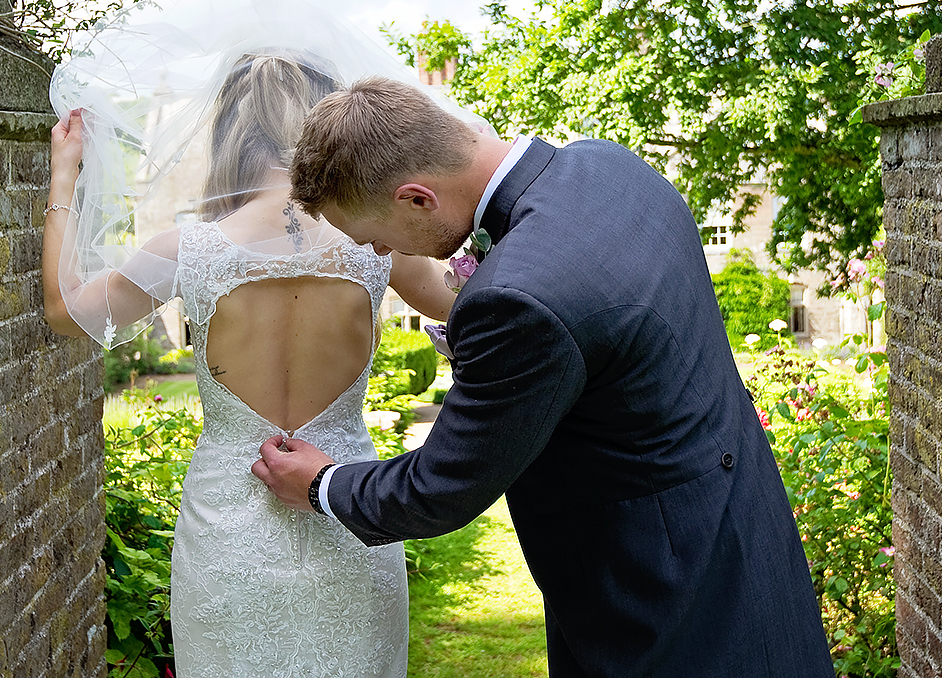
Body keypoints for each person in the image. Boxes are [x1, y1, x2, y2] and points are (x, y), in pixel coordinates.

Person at [255, 76, 836, 678]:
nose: (378, 255)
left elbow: (441, 486)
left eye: (375, 237)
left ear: (417, 199)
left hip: (657, 593)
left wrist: (322, 483)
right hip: (745, 529)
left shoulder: (516, 299)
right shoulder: (611, 165)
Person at [42, 0, 456, 678]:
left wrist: (64, 178)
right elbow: (463, 305)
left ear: (226, 129)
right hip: (350, 511)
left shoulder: (188, 250)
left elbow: (67, 310)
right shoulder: (375, 244)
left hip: (227, 532)